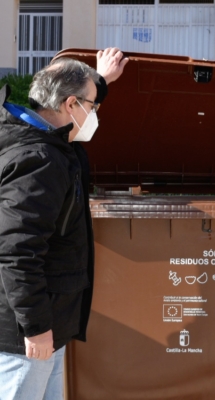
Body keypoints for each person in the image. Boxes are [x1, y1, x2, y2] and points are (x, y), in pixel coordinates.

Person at [0, 48, 128, 399]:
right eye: (93, 105)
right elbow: (16, 251)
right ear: (71, 105)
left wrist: (100, 81)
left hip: (43, 325)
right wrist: (37, 327)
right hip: (25, 336)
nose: (95, 113)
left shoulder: (42, 143)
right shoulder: (39, 160)